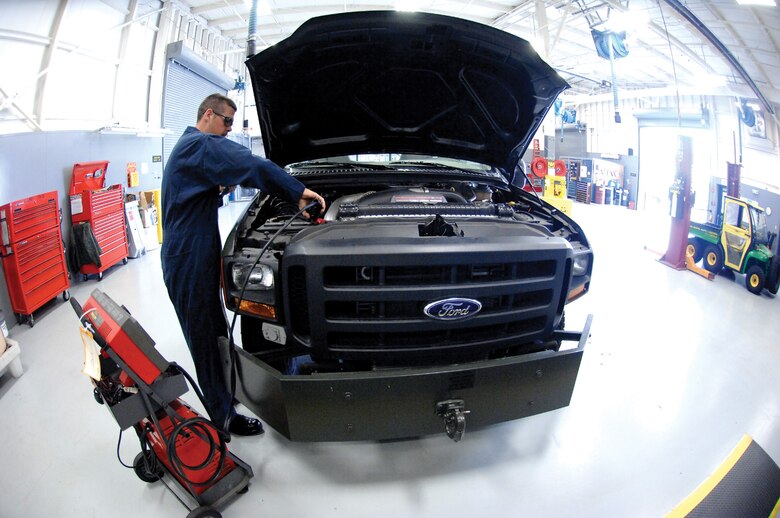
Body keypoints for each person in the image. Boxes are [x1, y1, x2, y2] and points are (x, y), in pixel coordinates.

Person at [161, 93, 325, 437]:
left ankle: (225, 395)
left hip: (191, 251)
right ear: (209, 114)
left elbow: (197, 192)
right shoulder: (199, 145)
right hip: (187, 255)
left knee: (215, 329)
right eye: (227, 122)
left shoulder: (189, 149)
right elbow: (250, 163)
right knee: (205, 337)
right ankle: (222, 418)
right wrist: (296, 190)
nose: (229, 130)